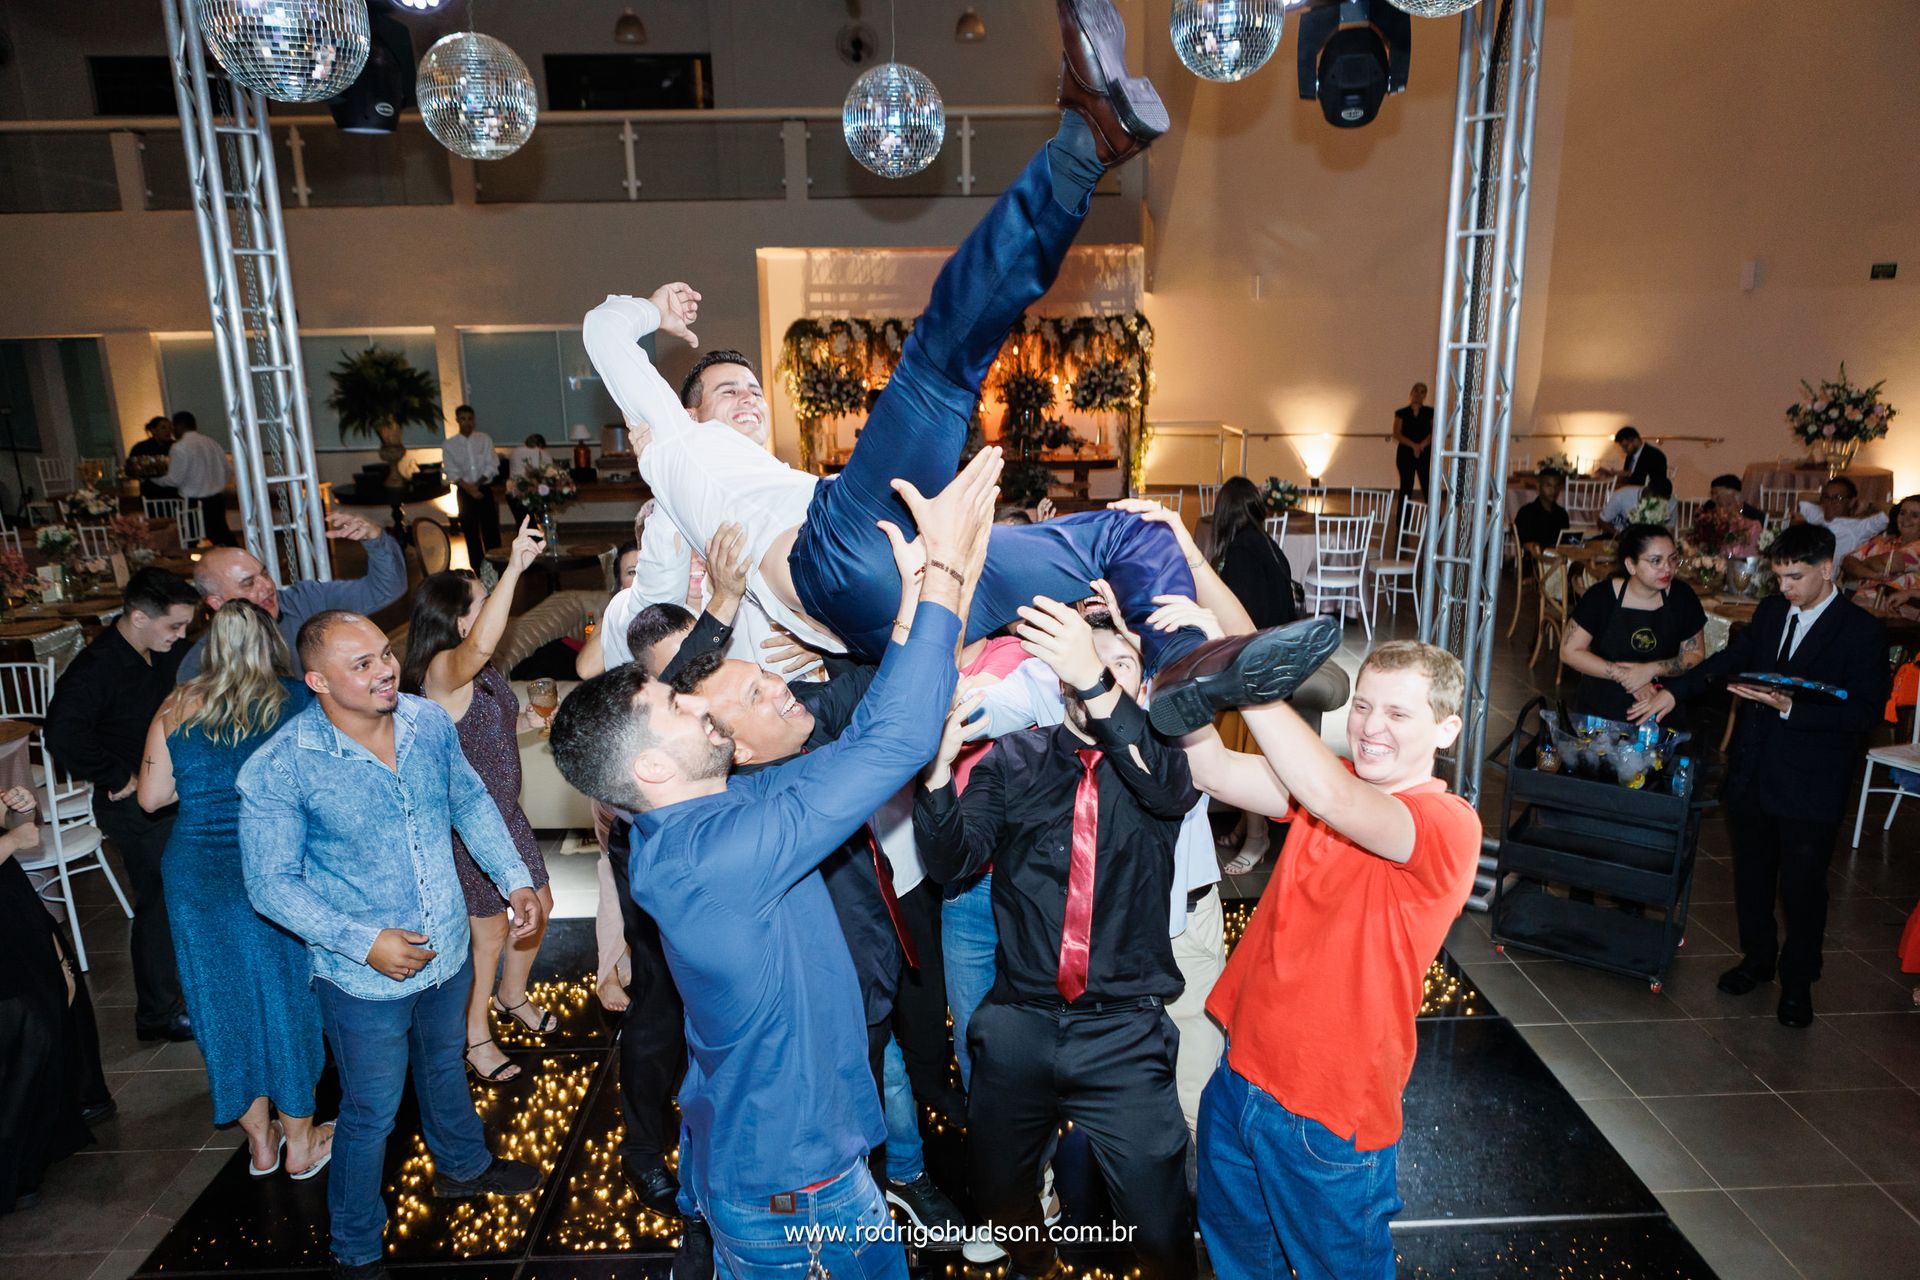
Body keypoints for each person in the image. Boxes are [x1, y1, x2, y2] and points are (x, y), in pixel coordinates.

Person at [582, 1, 1335, 739]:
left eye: (753, 387)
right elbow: (603, 331)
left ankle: (1179, 664)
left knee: (1129, 533)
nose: (749, 398)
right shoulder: (676, 450)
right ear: (685, 410)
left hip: (925, 589)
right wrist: (650, 310)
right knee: (939, 365)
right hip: (841, 560)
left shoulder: (764, 480)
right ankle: (1082, 144)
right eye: (727, 391)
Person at [545, 441, 997, 1280]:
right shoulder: (720, 852)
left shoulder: (694, 823)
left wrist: (905, 615)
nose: (698, 704)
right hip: (805, 1203)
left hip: (763, 1172)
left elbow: (852, 743)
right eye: (676, 705)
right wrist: (944, 572)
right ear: (650, 767)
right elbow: (894, 740)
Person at [239, 611, 546, 1279]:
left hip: (446, 948)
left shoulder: (426, 721)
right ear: (316, 681)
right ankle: (355, 1245)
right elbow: (269, 885)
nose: (384, 669)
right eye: (362, 664)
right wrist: (362, 941)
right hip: (361, 980)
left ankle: (463, 1168)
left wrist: (513, 876)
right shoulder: (283, 766)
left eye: (384, 653)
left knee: (443, 1064)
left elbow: (468, 799)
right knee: (371, 1110)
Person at [917, 601, 1199, 1280]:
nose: (1097, 674)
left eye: (1118, 665)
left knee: (1161, 1225)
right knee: (999, 1194)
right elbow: (954, 861)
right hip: (1020, 1020)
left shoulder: (1160, 761)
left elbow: (1169, 790)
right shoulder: (1014, 760)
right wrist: (933, 779)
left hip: (1124, 1031)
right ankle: (1037, 1262)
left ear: (1138, 684)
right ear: (1055, 679)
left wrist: (1098, 679)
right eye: (1080, 664)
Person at [1188, 641, 1481, 1280]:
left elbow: (1332, 800)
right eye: (1365, 705)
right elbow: (1209, 768)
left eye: (1399, 715)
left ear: (1446, 728)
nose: (1372, 727)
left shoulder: (1446, 823)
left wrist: (1244, 678)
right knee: (1238, 1262)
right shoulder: (1335, 785)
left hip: (1326, 1115)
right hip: (1241, 1077)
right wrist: (1183, 645)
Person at [674, 634, 968, 1237]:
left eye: (766, 674)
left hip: (865, 980)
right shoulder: (761, 812)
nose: (782, 686)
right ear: (736, 750)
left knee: (886, 1078)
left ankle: (902, 1179)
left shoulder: (796, 735)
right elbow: (885, 742)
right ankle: (803, 1224)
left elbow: (873, 687)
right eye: (758, 693)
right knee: (826, 1151)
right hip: (821, 1016)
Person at [1633, 524, 1890, 1028]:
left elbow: (1864, 713)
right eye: (1778, 577)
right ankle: (1757, 959)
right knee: (1751, 877)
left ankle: (1798, 983)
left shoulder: (1861, 631)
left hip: (1811, 782)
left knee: (1802, 887)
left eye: (1794, 577)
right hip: (1753, 771)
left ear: (1826, 569)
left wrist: (1793, 707)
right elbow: (1733, 659)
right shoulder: (1773, 612)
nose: (1785, 588)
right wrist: (1674, 691)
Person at [137, 600, 332, 1179]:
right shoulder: (298, 700)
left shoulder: (176, 704)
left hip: (195, 874)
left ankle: (260, 1146)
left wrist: (204, 778)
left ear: (210, 648)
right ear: (272, 642)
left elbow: (151, 799)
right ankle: (301, 1141)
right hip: (270, 869)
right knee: (286, 998)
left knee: (220, 1004)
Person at [400, 520, 556, 1085]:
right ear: (460, 619)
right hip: (465, 825)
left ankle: (513, 995)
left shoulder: (479, 674)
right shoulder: (442, 670)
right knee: (489, 935)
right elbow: (485, 643)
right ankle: (476, 1039)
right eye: (482, 603)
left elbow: (483, 734)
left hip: (504, 816)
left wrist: (533, 726)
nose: (492, 610)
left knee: (540, 903)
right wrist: (514, 566)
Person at [44, 567, 202, 1043]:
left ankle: (177, 997)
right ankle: (156, 1013)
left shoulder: (152, 653)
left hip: (167, 795)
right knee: (158, 903)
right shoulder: (98, 668)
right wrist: (118, 776)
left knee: (176, 898)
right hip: (133, 807)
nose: (180, 638)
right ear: (137, 617)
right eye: (173, 627)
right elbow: (61, 734)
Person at [0, 784, 109, 1216]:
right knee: (27, 1025)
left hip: (10, 900)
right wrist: (12, 840)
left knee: (56, 1000)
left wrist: (17, 813)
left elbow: (11, 825)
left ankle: (43, 1136)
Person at [177, 509, 407, 679]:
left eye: (264, 574)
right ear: (216, 602)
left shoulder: (306, 600)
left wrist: (375, 540)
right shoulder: (203, 662)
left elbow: (387, 588)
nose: (266, 586)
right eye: (248, 584)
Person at [1207, 476, 1297, 873]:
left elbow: (1241, 625)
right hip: (1276, 661)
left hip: (1261, 670)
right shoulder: (1265, 544)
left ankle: (1258, 835)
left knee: (1235, 740)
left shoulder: (1242, 551)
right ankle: (1247, 822)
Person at [1562, 523, 1707, 727]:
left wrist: (1649, 670)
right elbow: (1569, 651)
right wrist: (1626, 677)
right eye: (1656, 561)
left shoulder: (1682, 597)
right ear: (1631, 565)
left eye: (1672, 559)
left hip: (1662, 702)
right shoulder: (1602, 597)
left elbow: (1696, 654)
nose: (1667, 568)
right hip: (1603, 706)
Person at [441, 404, 502, 570]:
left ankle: (497, 565)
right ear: (457, 420)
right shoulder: (449, 444)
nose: (467, 422)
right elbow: (451, 470)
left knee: (490, 530)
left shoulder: (484, 439)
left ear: (474, 420)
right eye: (463, 419)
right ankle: (478, 568)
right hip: (464, 491)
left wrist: (477, 486)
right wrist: (469, 488)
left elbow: (492, 464)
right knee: (470, 531)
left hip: (483, 489)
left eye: (470, 419)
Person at [162, 410, 235, 546]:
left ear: (179, 426)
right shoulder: (211, 442)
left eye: (173, 428)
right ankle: (241, 561)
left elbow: (174, 479)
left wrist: (156, 480)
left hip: (193, 502)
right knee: (223, 535)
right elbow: (227, 469)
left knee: (190, 539)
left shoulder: (179, 447)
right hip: (217, 499)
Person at [1843, 493, 1920, 609]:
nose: (1906, 519)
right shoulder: (1883, 541)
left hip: (1897, 618)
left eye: (1915, 515)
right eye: (1902, 513)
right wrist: (1873, 574)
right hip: (1859, 607)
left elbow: (1891, 562)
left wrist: (1861, 565)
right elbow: (1847, 561)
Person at [1796, 476, 1888, 561]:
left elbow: (1887, 514)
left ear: (1851, 502)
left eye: (1838, 498)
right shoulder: (1817, 514)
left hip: (1826, 573)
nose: (1830, 502)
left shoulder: (1858, 527)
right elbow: (1803, 499)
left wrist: (1869, 506)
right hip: (1803, 561)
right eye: (1826, 497)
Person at [1389, 382, 1433, 507]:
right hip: (1405, 454)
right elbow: (1397, 433)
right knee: (1406, 487)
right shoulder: (1401, 412)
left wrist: (1422, 444)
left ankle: (1436, 523)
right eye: (1416, 391)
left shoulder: (1430, 412)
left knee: (1427, 487)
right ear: (1411, 392)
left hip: (1424, 452)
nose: (1418, 394)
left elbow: (1434, 431)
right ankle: (1402, 524)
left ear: (1425, 395)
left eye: (1422, 392)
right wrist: (1414, 446)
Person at [1513, 469, 1572, 562]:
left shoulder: (1562, 514)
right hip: (1535, 564)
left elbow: (1566, 543)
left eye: (1556, 486)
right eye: (1548, 485)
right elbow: (1526, 543)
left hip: (1559, 562)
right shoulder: (1526, 512)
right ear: (1538, 486)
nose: (1553, 490)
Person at [1597, 425, 1667, 489]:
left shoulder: (1654, 455)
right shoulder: (1630, 455)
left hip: (1647, 491)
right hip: (1630, 489)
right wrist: (1614, 474)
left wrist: (1627, 474)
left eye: (1626, 446)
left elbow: (1652, 479)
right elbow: (1628, 476)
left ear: (1636, 441)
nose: (1624, 450)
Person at [127, 416, 177, 499]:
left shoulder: (176, 446)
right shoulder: (141, 448)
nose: (168, 431)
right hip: (151, 493)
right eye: (163, 428)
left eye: (170, 427)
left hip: (174, 492)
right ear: (153, 430)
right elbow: (132, 470)